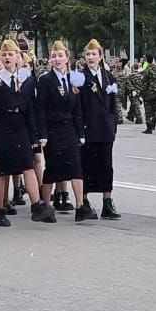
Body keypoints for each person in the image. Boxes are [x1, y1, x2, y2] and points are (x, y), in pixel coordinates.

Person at [0, 40, 54, 223]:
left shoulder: (27, 79)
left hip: (20, 125)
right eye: (4, 54)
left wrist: (35, 134)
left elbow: (31, 108)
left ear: (18, 57)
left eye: (11, 54)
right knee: (1, 170)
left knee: (27, 165)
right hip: (1, 125)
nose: (7, 57)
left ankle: (37, 204)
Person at [33, 40, 96, 221]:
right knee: (52, 169)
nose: (57, 59)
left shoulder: (73, 79)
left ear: (67, 58)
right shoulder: (45, 80)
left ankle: (80, 206)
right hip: (52, 130)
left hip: (69, 129)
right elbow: (41, 109)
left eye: (60, 56)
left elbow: (77, 109)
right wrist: (42, 134)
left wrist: (81, 133)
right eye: (54, 56)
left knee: (76, 167)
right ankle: (46, 206)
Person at [77, 39, 122, 219]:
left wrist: (114, 123)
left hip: (105, 128)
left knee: (106, 165)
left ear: (101, 56)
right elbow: (78, 106)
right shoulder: (80, 77)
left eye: (94, 54)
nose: (90, 57)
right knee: (86, 165)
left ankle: (107, 201)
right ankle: (84, 201)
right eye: (88, 54)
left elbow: (113, 102)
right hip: (89, 126)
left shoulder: (109, 76)